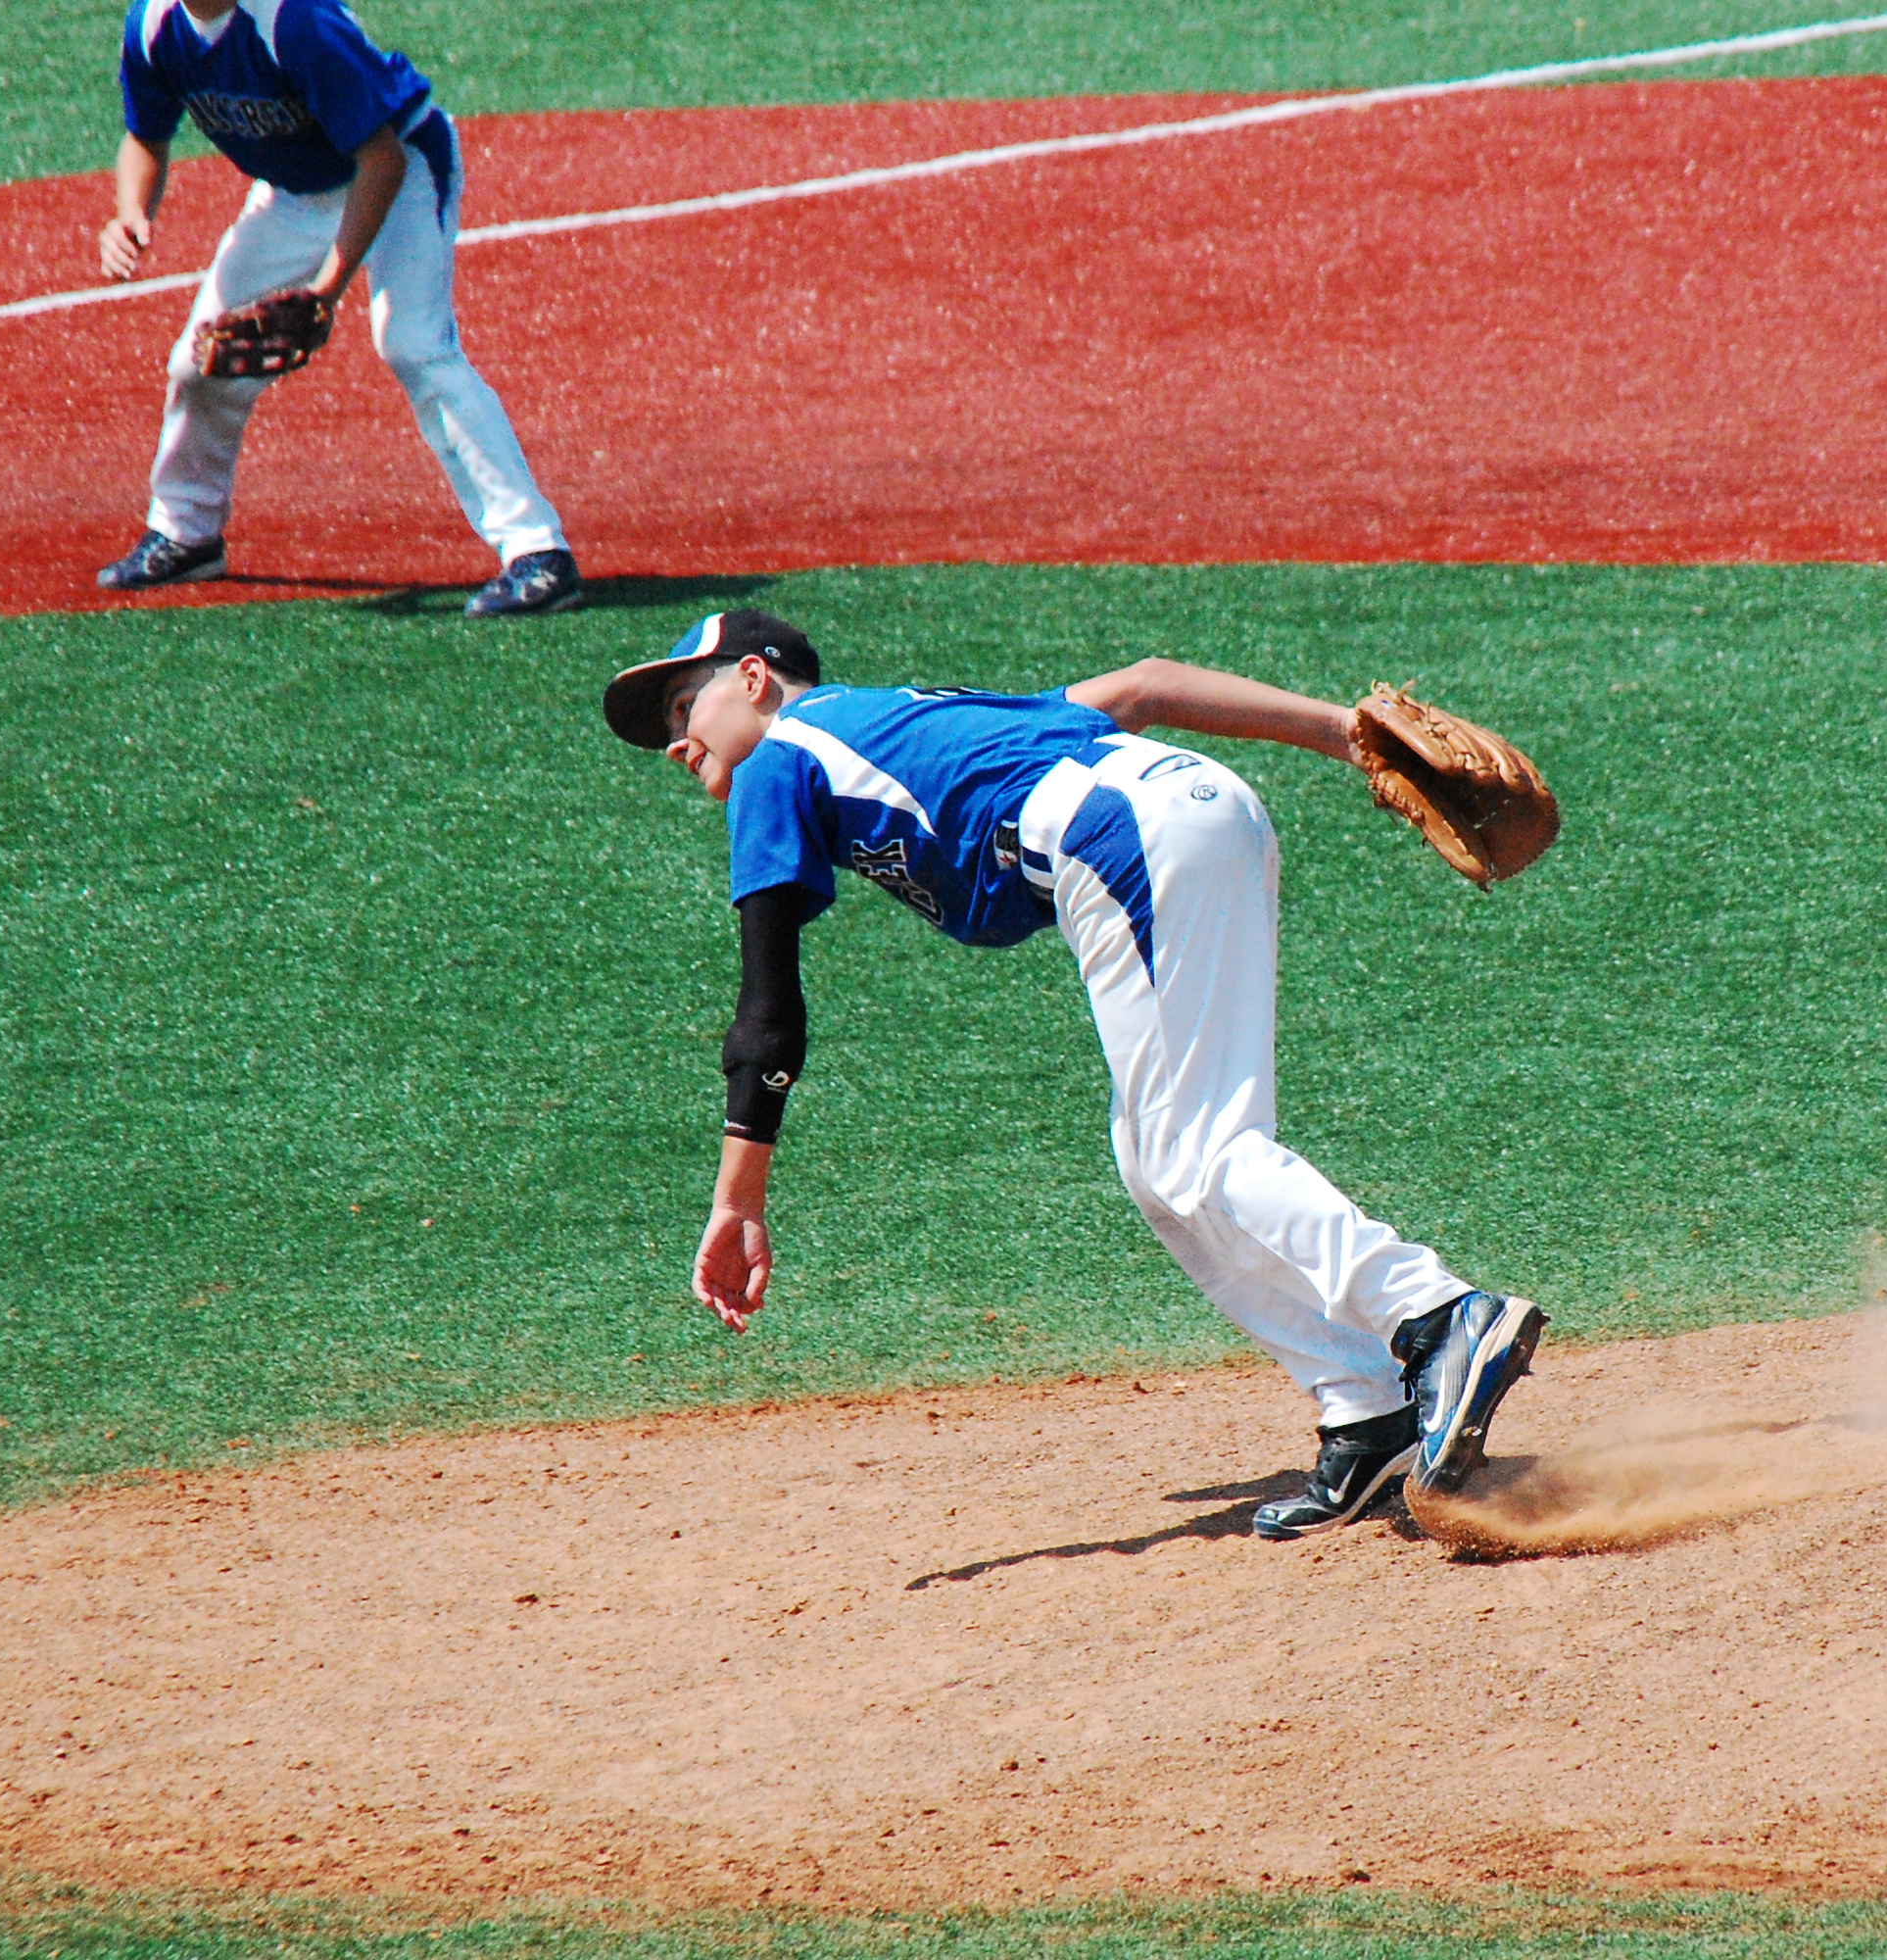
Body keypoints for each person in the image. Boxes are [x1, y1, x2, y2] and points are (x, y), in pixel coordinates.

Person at [603, 611, 1546, 1539]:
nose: (676, 742)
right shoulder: (898, 717)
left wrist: (739, 1200)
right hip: (1188, 815)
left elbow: (767, 1017)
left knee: (1198, 1152)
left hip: (1126, 839)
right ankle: (1367, 1411)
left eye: (686, 705)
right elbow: (1149, 685)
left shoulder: (779, 757)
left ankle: (1435, 1313)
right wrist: (1346, 734)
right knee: (1159, 1165)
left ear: (755, 679)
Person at [92, 0, 581, 616]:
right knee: (199, 361)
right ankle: (185, 533)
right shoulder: (153, 27)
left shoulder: (295, 23)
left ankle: (538, 552)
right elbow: (145, 136)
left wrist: (325, 292)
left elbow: (382, 160)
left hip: (401, 169)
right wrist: (132, 212)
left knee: (413, 344)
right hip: (295, 195)